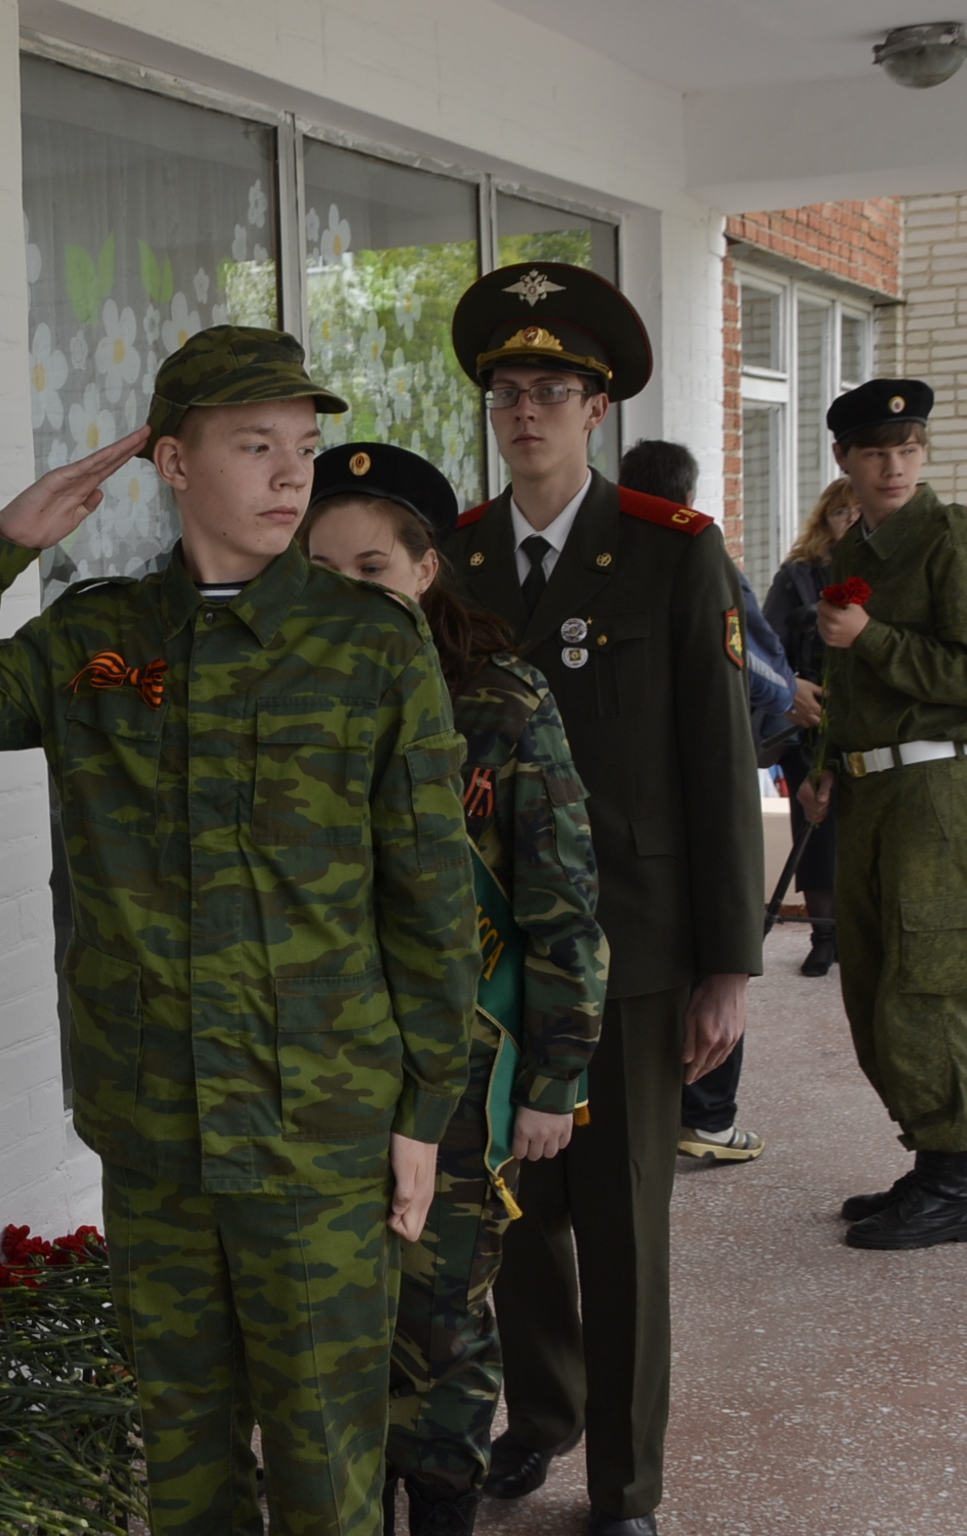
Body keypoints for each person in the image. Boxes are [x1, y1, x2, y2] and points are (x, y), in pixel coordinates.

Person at [0, 328, 479, 1536]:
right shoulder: (97, 640)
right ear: (172, 462)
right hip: (157, 1124)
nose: (291, 475)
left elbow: (430, 893)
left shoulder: (370, 645)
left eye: (303, 447)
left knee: (325, 1460)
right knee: (187, 1456)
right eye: (256, 446)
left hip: (318, 1125)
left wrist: (426, 1110)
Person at [436, 264, 763, 1536]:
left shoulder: (672, 554)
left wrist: (727, 961)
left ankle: (626, 1484)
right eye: (508, 391)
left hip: (631, 947)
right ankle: (546, 1413)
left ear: (598, 407)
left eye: (553, 391)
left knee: (624, 1227)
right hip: (489, 947)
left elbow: (718, 764)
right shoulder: (454, 556)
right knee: (509, 1214)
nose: (527, 411)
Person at [302, 442, 607, 1536]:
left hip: (460, 1082)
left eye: (371, 568)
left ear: (428, 571)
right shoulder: (277, 701)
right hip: (320, 1072)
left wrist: (554, 1079)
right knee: (334, 1320)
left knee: (442, 1321)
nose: (345, 595)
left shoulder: (499, 704)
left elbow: (562, 906)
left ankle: (439, 1510)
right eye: (320, 569)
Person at [794, 379, 967, 1251]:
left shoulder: (952, 544)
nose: (894, 464)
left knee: (924, 985)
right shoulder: (872, 550)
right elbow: (849, 688)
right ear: (844, 461)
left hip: (933, 792)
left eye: (909, 447)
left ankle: (956, 1181)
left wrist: (872, 638)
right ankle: (930, 1161)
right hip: (872, 790)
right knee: (874, 986)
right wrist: (823, 770)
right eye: (876, 451)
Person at [616, 440, 796, 1167]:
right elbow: (761, 674)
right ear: (689, 494)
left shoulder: (596, 562)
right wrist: (788, 705)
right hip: (700, 789)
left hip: (620, 805)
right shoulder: (700, 558)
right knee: (715, 940)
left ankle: (652, 1110)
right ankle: (708, 1114)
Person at [763, 478, 861, 976]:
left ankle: (858, 933)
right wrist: (794, 687)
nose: (853, 522)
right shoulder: (796, 575)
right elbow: (768, 644)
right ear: (825, 520)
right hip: (811, 718)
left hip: (867, 721)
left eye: (859, 513)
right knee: (816, 826)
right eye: (843, 513)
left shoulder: (884, 571)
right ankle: (823, 935)